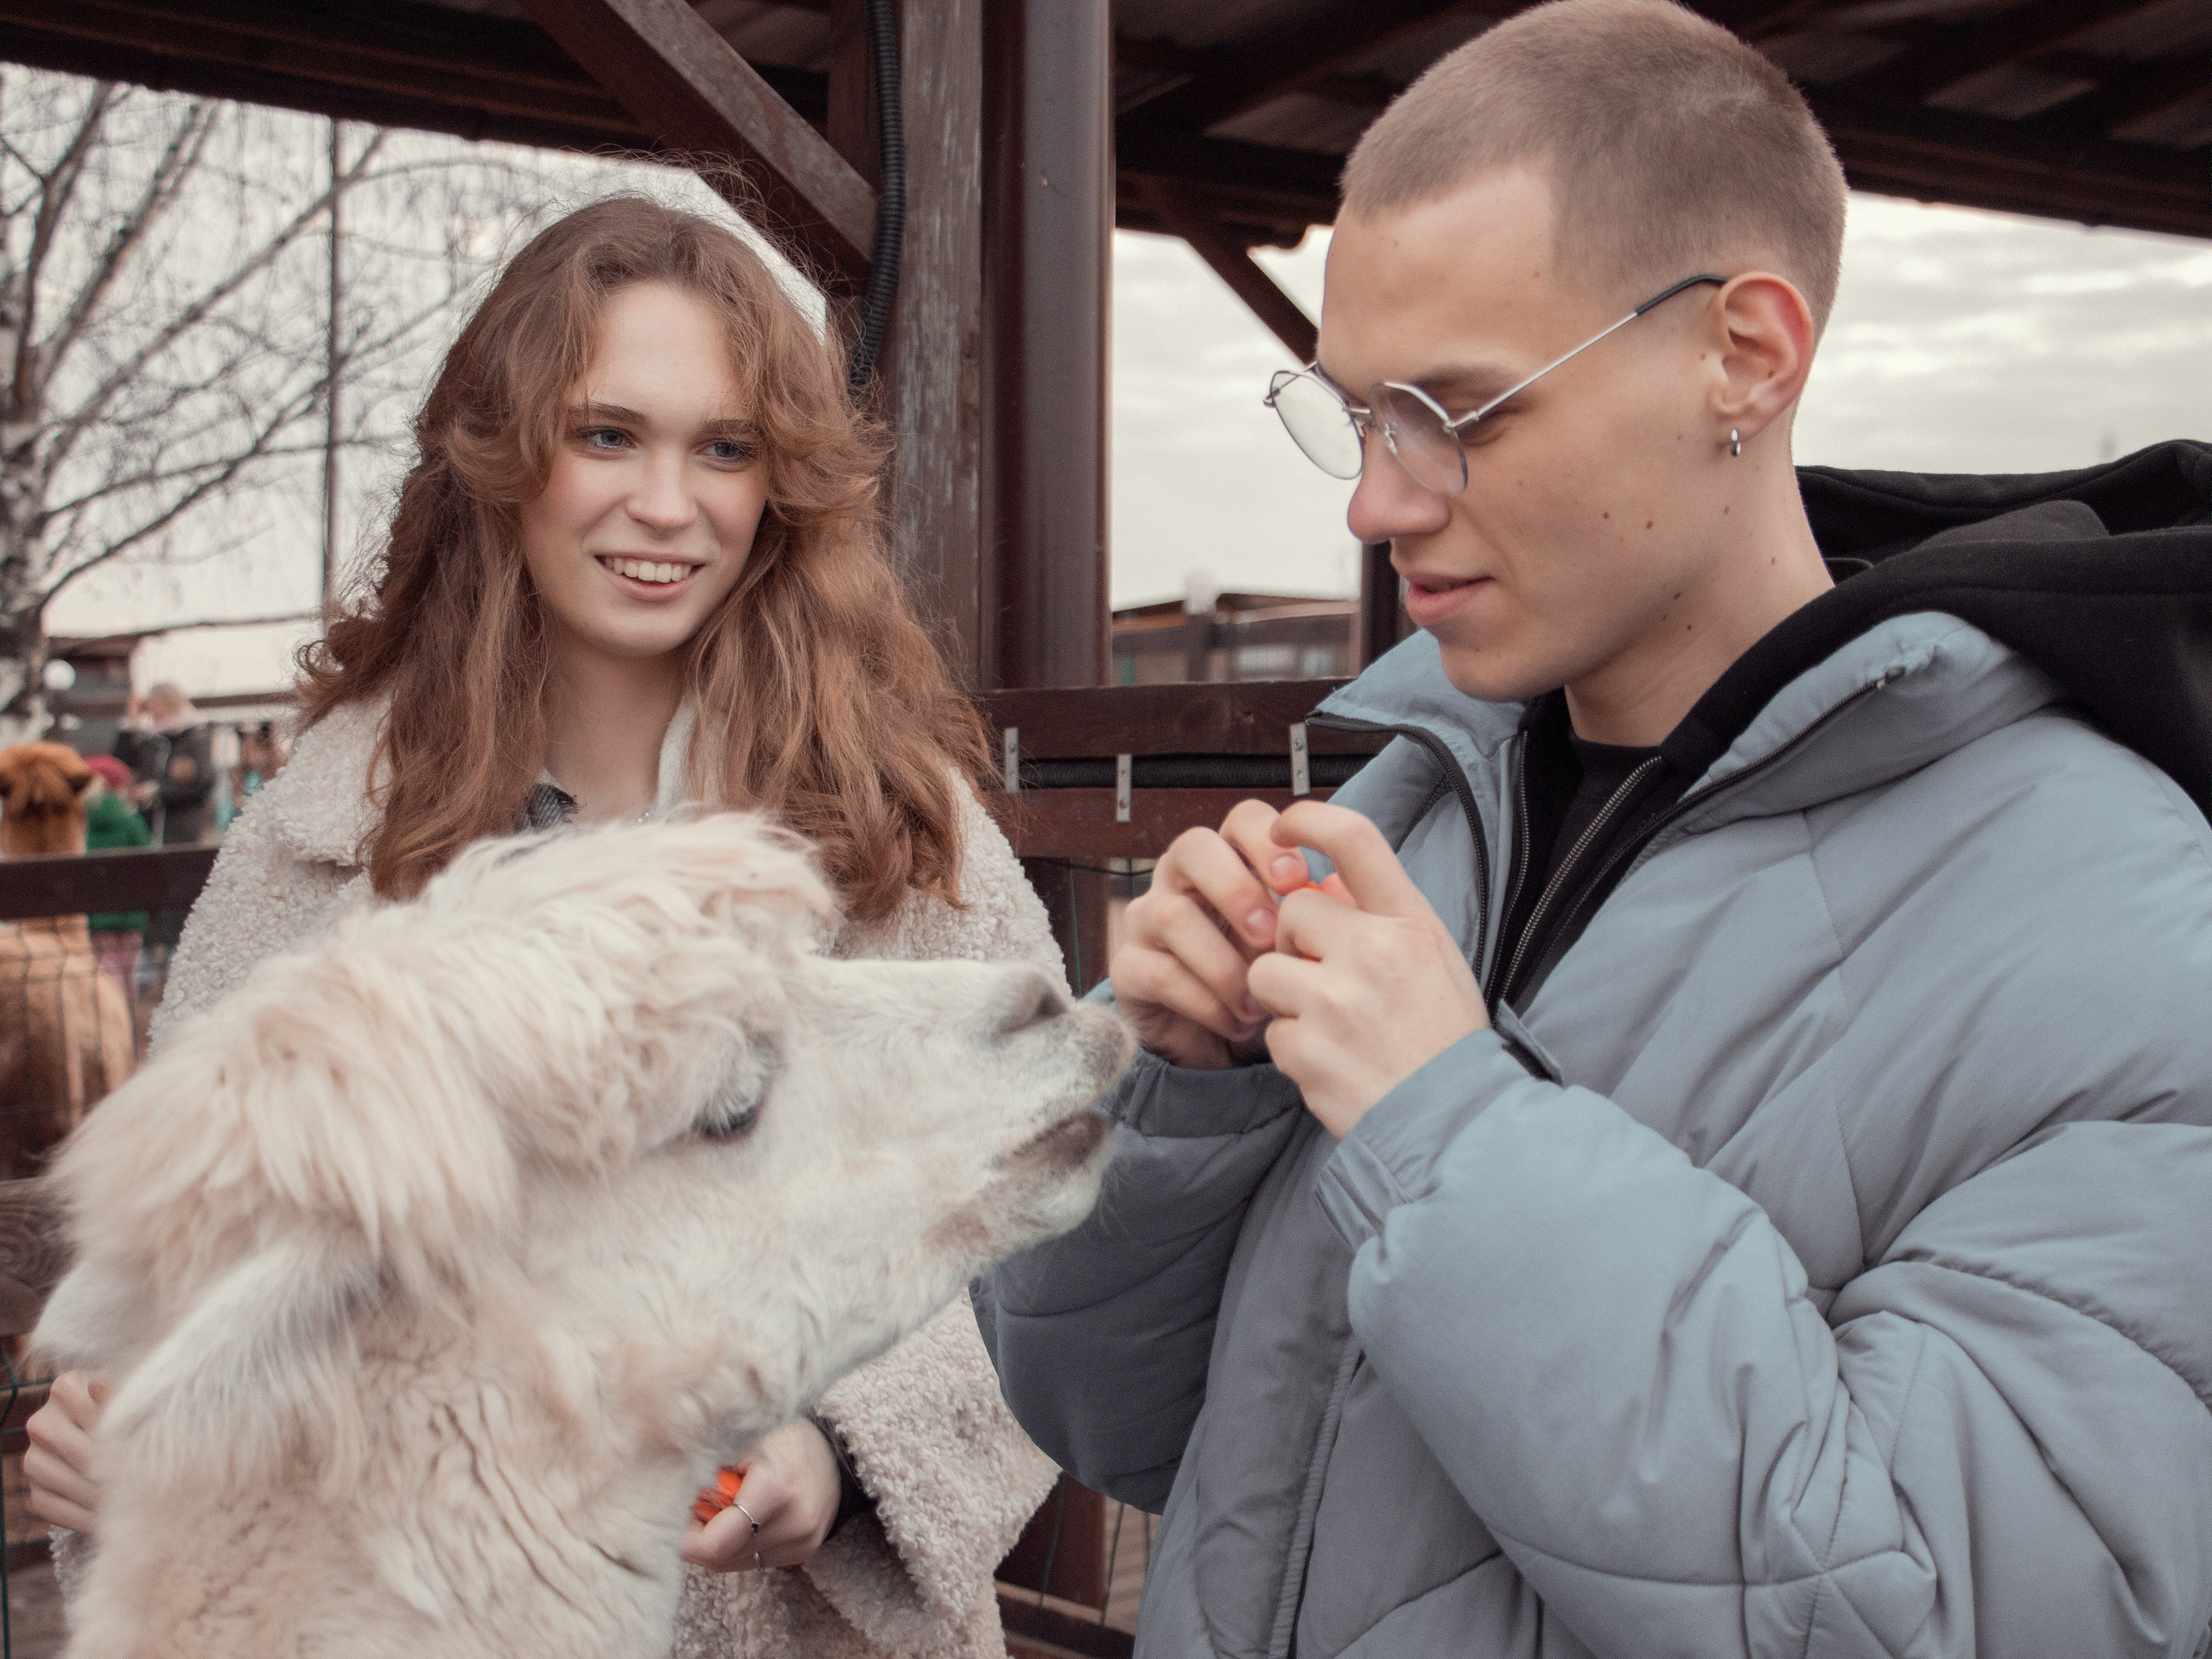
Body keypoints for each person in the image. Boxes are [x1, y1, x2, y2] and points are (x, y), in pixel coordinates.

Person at [975, 4, 2212, 1656]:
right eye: (1355, 415)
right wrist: (1179, 1103)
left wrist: (1453, 1132)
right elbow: (1123, 1438)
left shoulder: (2134, 928)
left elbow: (1947, 1614)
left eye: (1457, 412)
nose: (1376, 503)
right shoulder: (1410, 805)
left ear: (1746, 356)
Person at [26, 195, 1064, 1659]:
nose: (668, 503)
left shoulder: (900, 831)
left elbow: (1045, 1230)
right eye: (608, 435)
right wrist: (126, 1458)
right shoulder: (320, 854)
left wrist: (841, 1457)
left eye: (725, 447)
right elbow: (195, 1290)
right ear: (506, 456)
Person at [79, 754, 150, 1007]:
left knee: (105, 967)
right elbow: (148, 856)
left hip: (96, 912)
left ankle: (109, 1017)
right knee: (127, 968)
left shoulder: (82, 823)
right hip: (131, 910)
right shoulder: (130, 820)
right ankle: (127, 1022)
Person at [111, 683, 214, 847]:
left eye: (152, 705)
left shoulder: (195, 736)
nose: (150, 711)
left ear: (166, 704)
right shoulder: (152, 738)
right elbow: (120, 765)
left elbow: (203, 783)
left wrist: (159, 791)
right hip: (148, 827)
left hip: (181, 830)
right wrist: (131, 722)